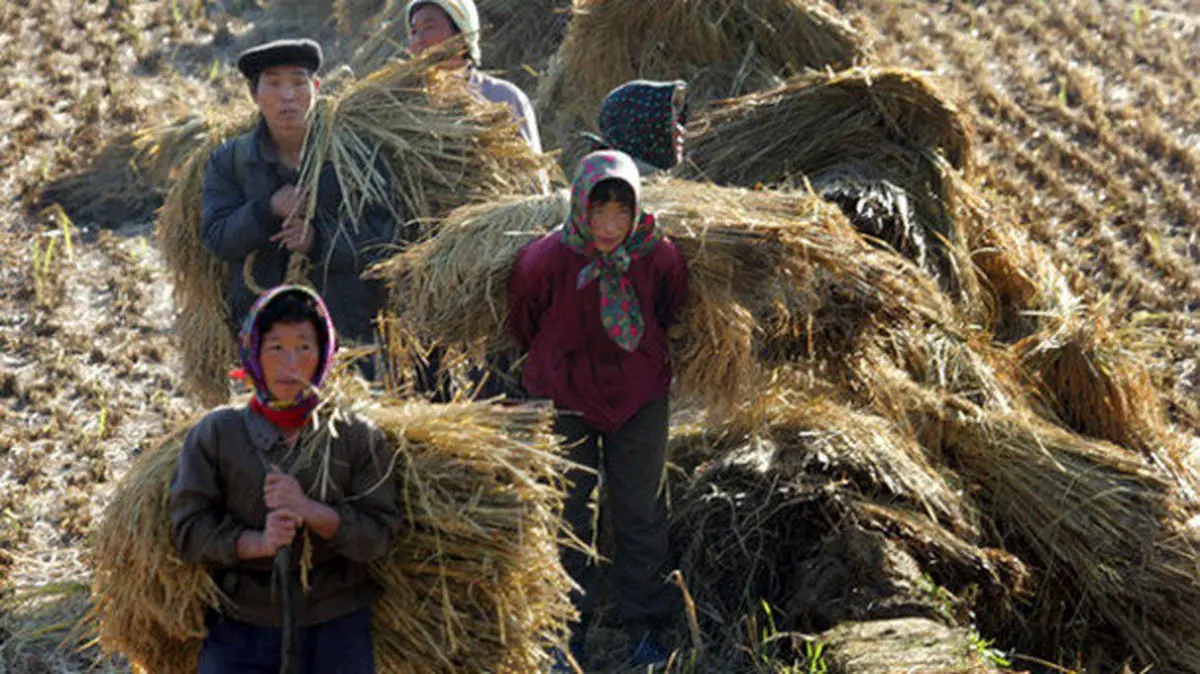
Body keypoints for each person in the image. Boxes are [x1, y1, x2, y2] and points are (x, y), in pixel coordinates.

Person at [508, 151, 688, 671]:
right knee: (568, 512)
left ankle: (645, 628)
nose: (609, 226)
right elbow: (524, 321)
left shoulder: (659, 256)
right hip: (563, 394)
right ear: (578, 207)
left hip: (638, 395)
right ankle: (565, 634)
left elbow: (669, 307)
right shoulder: (543, 260)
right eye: (598, 211)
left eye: (621, 212)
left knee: (640, 511)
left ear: (637, 211)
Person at [169, 285, 402, 673]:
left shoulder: (356, 435)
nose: (290, 364)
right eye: (275, 347)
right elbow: (189, 530)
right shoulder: (217, 434)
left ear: (324, 355)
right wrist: (256, 543)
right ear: (253, 353)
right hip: (242, 622)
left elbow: (380, 535)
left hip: (336, 620)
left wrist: (310, 511)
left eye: (304, 348)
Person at [201, 38, 401, 367]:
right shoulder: (230, 161)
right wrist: (267, 210)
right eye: (274, 84)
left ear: (317, 88)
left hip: (350, 336)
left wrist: (319, 242)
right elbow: (215, 237)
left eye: (298, 82)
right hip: (266, 336)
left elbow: (386, 237)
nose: (288, 96)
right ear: (254, 95)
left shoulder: (355, 155)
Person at [405, 0, 543, 153]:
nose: (418, 40)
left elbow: (533, 171)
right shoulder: (406, 109)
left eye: (429, 27)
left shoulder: (502, 98)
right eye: (413, 32)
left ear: (462, 34)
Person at [583, 79, 689, 176]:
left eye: (679, 122)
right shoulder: (626, 192)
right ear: (645, 129)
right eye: (670, 124)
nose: (681, 131)